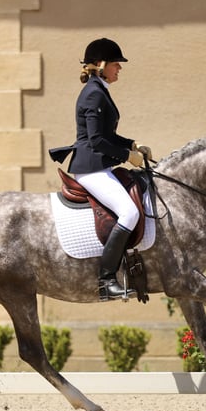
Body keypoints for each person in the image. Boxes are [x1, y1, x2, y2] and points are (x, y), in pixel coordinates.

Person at [53, 38, 153, 301]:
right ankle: (106, 280)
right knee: (130, 213)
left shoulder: (99, 89)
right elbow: (96, 141)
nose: (119, 68)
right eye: (116, 63)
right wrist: (126, 156)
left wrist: (133, 144)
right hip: (91, 170)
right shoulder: (94, 93)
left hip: (99, 166)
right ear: (101, 64)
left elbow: (107, 135)